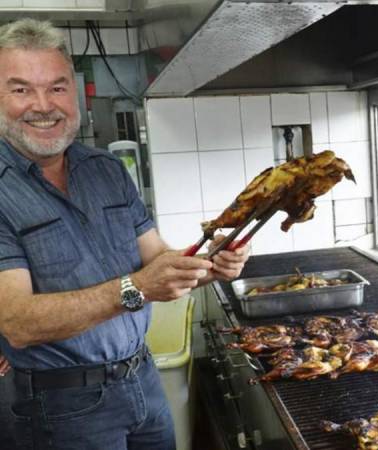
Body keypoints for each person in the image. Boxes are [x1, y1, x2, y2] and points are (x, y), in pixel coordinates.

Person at [0, 18, 250, 450]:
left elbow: (155, 259)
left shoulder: (106, 170)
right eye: (21, 89)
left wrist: (210, 263)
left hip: (142, 382)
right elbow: (18, 322)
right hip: (58, 406)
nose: (44, 104)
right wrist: (136, 289)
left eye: (58, 87)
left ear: (73, 94)